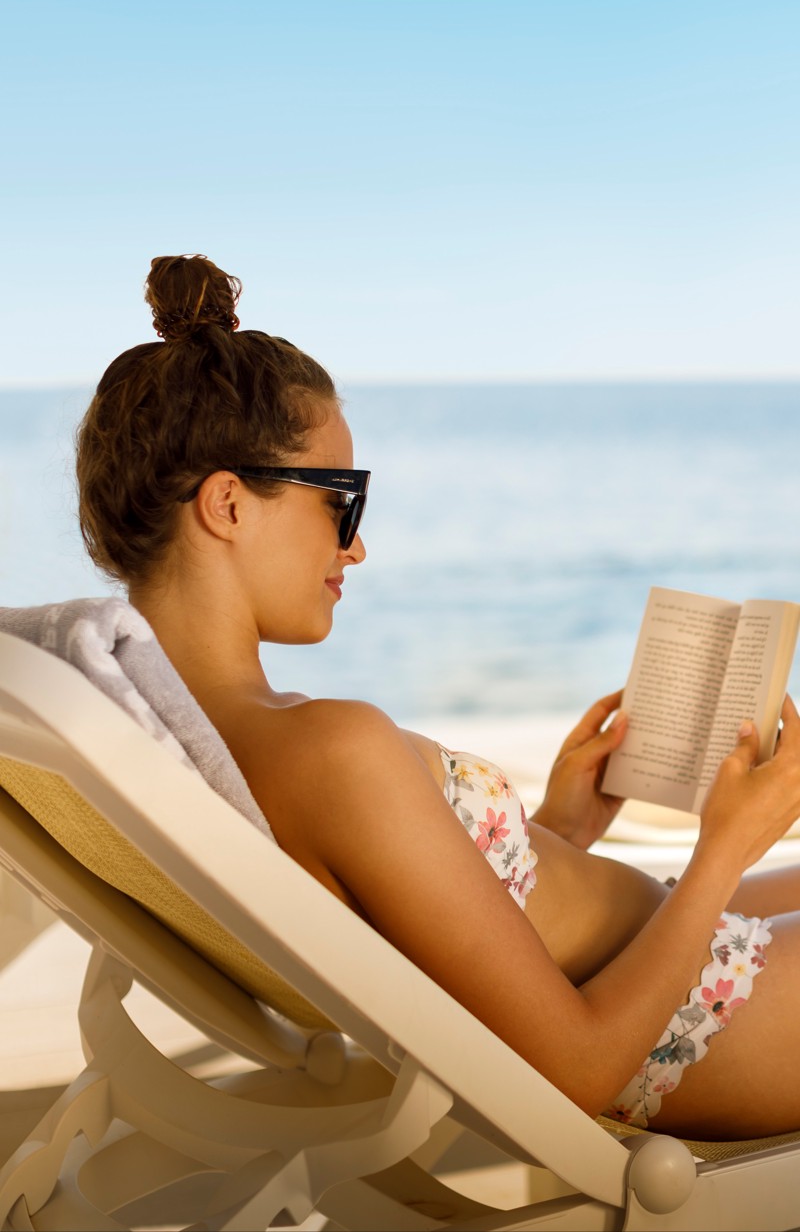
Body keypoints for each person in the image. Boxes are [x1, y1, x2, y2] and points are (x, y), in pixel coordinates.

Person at [76, 253, 800, 1140]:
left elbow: (427, 922)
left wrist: (556, 833)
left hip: (662, 955)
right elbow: (576, 1065)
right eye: (341, 501)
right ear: (228, 504)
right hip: (700, 1014)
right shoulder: (328, 750)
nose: (356, 546)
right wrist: (727, 844)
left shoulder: (205, 747)